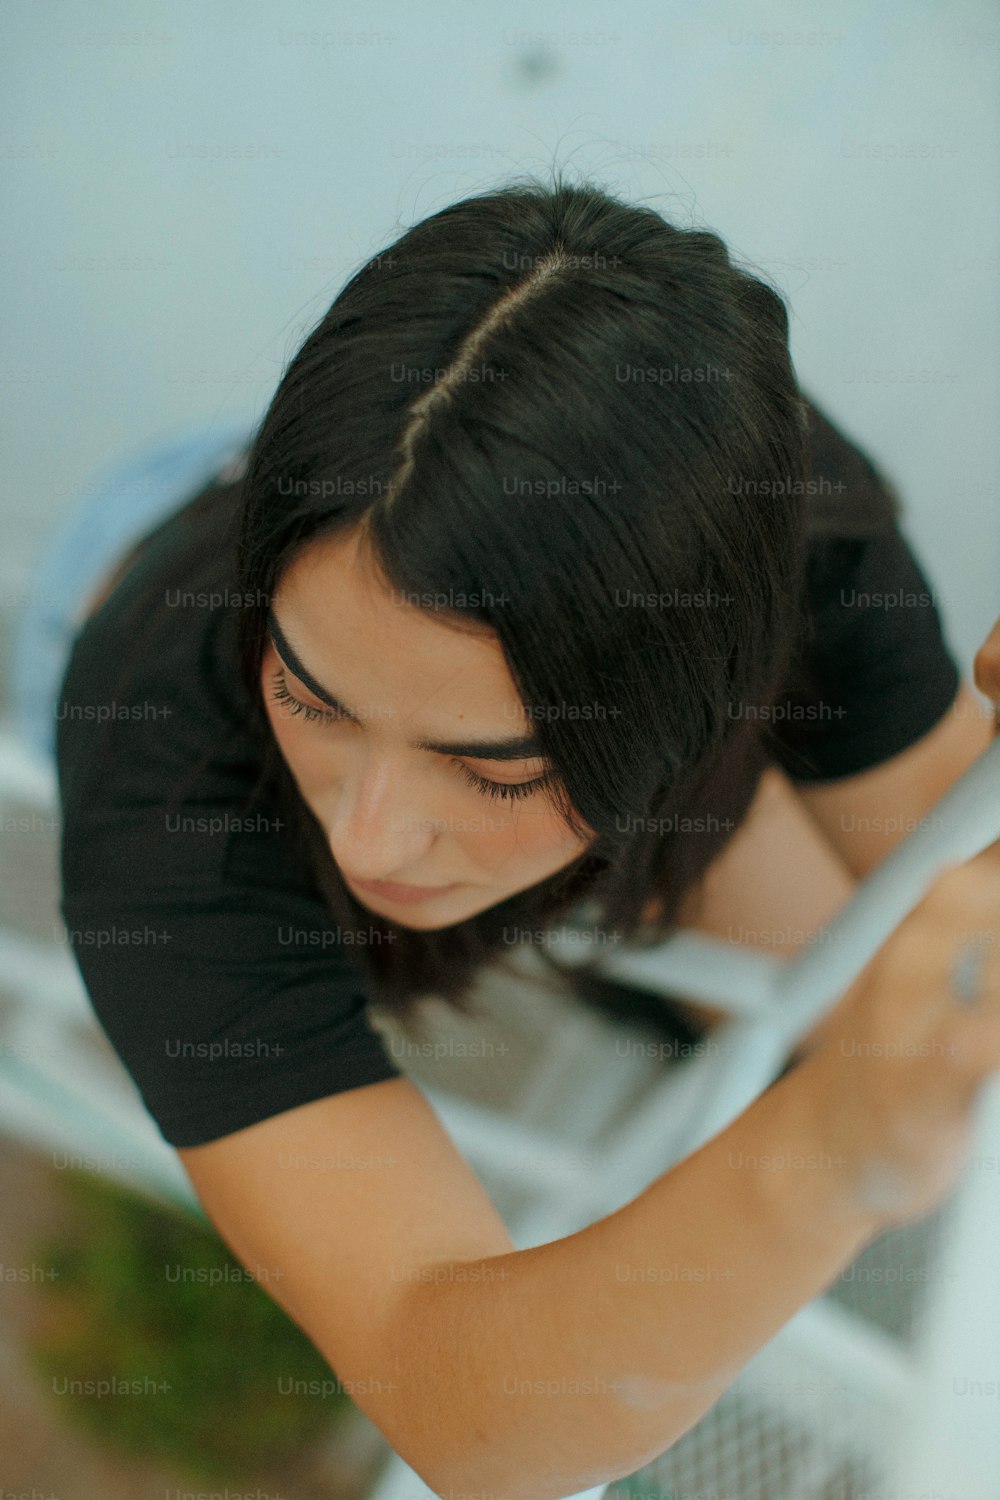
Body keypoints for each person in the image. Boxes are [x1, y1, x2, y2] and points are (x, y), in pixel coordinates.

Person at [53, 172, 1000, 1498]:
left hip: (459, 575)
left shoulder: (793, 524)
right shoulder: (167, 793)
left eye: (489, 769)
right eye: (311, 700)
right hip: (179, 555)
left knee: (838, 989)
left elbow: (951, 889)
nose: (371, 835)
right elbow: (458, 1404)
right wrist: (835, 1153)